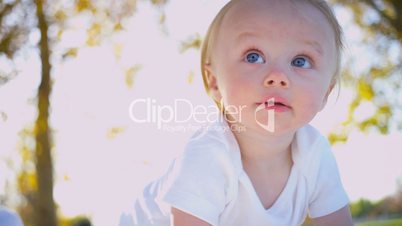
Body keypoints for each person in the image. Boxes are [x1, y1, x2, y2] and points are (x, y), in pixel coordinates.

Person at [119, 0, 354, 225]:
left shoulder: (315, 155)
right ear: (214, 82)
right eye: (254, 56)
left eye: (301, 61)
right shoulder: (209, 155)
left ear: (326, 92)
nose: (278, 76)